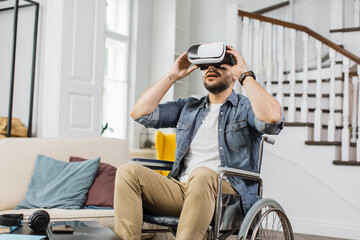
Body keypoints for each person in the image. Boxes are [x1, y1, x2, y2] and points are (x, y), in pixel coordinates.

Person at [114, 45, 284, 240]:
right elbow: (140, 113)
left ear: (234, 73)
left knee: (202, 174)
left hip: (227, 196)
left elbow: (272, 118)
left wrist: (245, 74)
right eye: (205, 66)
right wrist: (172, 75)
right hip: (183, 190)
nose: (211, 69)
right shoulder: (189, 107)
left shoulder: (246, 107)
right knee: (127, 172)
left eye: (220, 64)